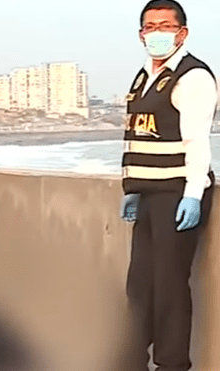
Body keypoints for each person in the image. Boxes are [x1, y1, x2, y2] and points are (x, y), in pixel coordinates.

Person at [120, 1, 217, 370]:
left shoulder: (193, 77)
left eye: (165, 26)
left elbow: (196, 142)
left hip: (176, 197)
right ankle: (131, 358)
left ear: (182, 33)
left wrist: (193, 195)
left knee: (170, 288)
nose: (156, 33)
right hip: (148, 195)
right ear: (141, 34)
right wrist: (132, 186)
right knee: (140, 287)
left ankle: (172, 363)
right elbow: (136, 135)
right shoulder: (144, 76)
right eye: (150, 26)